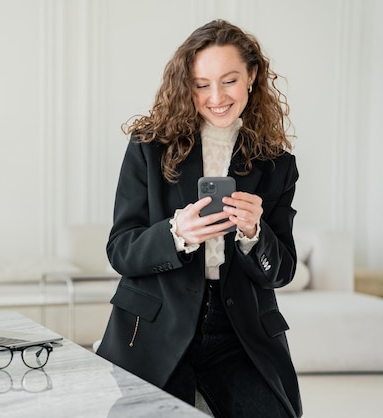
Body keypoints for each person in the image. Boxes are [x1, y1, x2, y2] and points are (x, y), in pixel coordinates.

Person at [96, 20, 302, 418]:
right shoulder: (148, 148)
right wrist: (175, 234)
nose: (216, 97)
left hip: (240, 333)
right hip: (156, 326)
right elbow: (120, 250)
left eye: (229, 81)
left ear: (252, 76)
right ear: (186, 84)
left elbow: (281, 271)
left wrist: (254, 235)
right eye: (201, 84)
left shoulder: (277, 165)